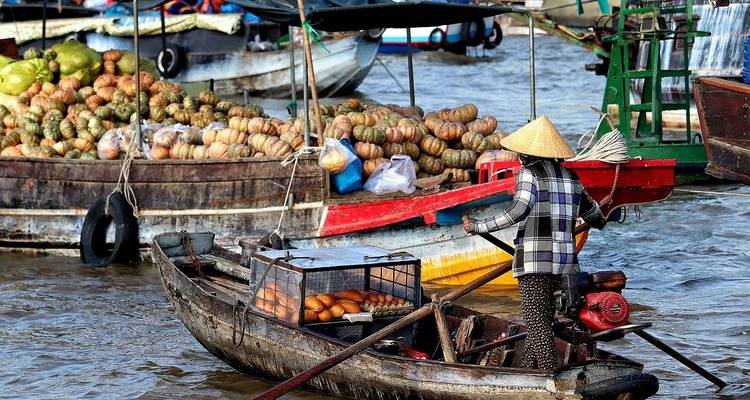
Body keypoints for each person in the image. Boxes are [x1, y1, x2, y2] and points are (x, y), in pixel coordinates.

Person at [463, 115, 607, 370]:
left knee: (536, 322)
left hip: (534, 261)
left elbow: (517, 211)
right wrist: (604, 218)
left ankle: (551, 376)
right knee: (544, 321)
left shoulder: (529, 174)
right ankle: (528, 370)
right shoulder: (571, 177)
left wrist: (478, 226)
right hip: (565, 264)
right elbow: (594, 214)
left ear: (527, 154)